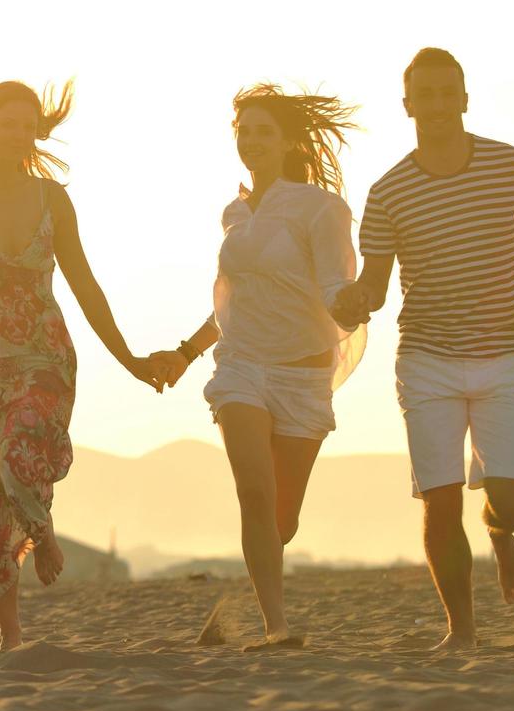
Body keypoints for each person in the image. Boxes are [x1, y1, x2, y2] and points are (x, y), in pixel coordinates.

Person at [331, 47, 514, 651]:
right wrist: (353, 299)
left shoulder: (510, 164)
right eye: (425, 95)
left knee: (512, 503)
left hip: (507, 352)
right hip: (427, 360)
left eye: (448, 93)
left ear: (465, 98)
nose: (437, 105)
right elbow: (377, 288)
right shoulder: (388, 192)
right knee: (439, 505)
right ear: (407, 105)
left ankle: (499, 531)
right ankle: (460, 632)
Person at [0, 80, 162, 651]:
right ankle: (12, 635)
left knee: (21, 446)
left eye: (29, 125)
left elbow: (83, 283)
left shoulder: (52, 199)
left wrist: (128, 357)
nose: (19, 135)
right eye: (9, 123)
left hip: (41, 351)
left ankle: (41, 529)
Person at [151, 83, 365, 649]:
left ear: (289, 140)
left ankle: (240, 606)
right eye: (243, 131)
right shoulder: (235, 213)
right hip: (241, 366)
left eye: (263, 131)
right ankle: (277, 627)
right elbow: (231, 302)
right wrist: (185, 352)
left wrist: (353, 299)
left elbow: (337, 284)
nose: (251, 141)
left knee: (282, 521)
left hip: (302, 375)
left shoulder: (322, 208)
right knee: (255, 494)